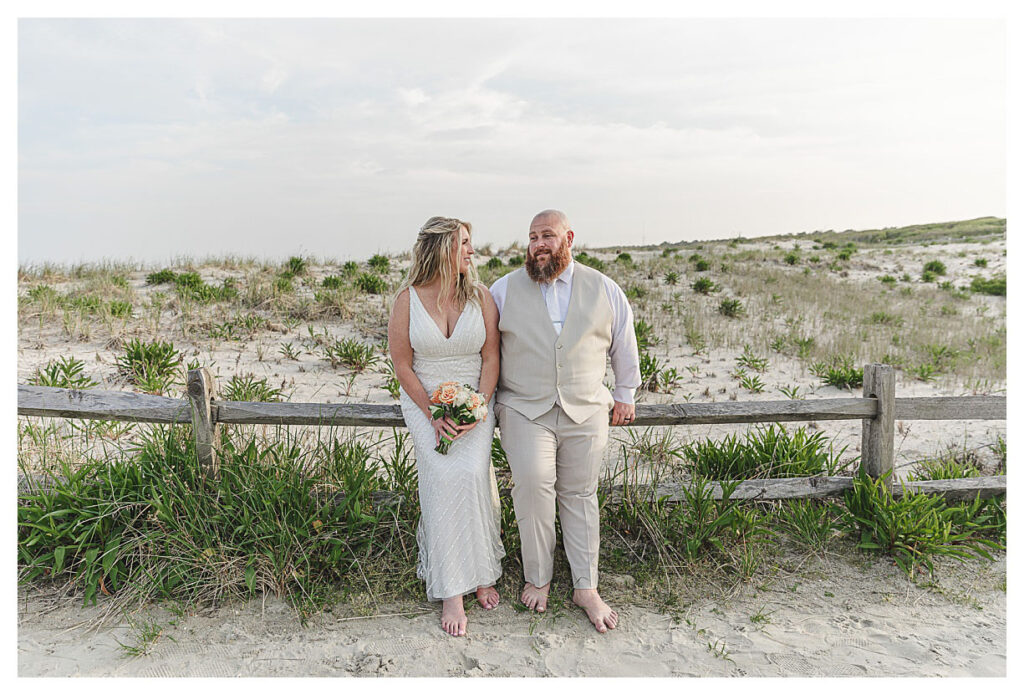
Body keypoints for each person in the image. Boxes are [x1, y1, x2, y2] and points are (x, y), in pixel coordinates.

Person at [489, 209, 641, 634]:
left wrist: (626, 392)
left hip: (587, 407)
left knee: (579, 493)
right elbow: (486, 347)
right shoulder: (502, 289)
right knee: (534, 485)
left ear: (568, 238)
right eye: (533, 237)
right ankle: (538, 576)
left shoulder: (605, 288)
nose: (538, 244)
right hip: (523, 406)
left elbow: (623, 343)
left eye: (548, 236)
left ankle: (585, 587)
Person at [387, 216, 505, 637]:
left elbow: (491, 358)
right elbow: (401, 363)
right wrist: (433, 413)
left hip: (474, 402)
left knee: (472, 474)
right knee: (441, 475)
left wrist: (477, 406)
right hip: (424, 402)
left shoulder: (482, 297)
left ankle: (482, 569)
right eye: (465, 244)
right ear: (442, 249)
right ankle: (453, 588)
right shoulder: (407, 299)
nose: (472, 251)